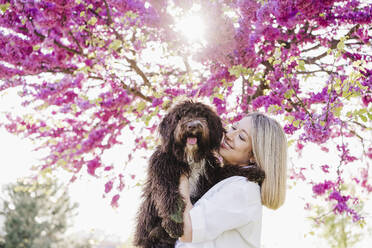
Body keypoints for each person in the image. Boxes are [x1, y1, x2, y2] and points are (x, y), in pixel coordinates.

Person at [175, 113, 288, 248]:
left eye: (241, 137)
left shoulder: (243, 189)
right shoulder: (229, 183)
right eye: (234, 128)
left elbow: (187, 230)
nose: (229, 135)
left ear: (254, 156)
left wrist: (181, 170)